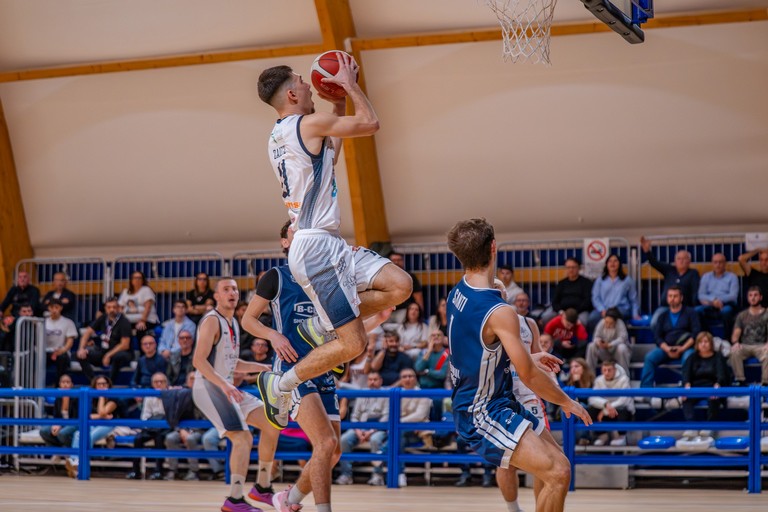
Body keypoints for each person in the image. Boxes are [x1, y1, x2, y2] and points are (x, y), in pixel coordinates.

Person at [257, 60, 412, 431]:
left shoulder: (282, 135)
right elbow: (370, 123)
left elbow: (330, 156)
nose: (309, 85)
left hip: (327, 243)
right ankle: (281, 384)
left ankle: (320, 326)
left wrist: (338, 103)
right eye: (302, 82)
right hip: (316, 249)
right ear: (291, 94)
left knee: (400, 285)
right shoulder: (306, 124)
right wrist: (349, 85)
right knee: (353, 344)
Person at [241, 221, 391, 512]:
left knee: (333, 451)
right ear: (285, 242)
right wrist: (272, 335)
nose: (301, 233)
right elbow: (248, 320)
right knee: (324, 443)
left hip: (322, 368)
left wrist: (379, 318)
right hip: (290, 368)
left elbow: (345, 332)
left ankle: (289, 499)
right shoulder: (276, 276)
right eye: (294, 230)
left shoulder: (325, 281)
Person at [446, 218, 591, 512]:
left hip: (491, 398)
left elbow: (476, 352)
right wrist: (566, 401)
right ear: (494, 248)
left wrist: (527, 357)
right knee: (558, 472)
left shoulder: (457, 293)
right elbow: (529, 375)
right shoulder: (499, 310)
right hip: (482, 410)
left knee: (558, 466)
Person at [192, 277, 282, 512]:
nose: (231, 292)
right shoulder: (212, 321)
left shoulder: (233, 322)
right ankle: (234, 499)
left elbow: (232, 363)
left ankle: (262, 486)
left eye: (234, 289)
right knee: (243, 439)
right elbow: (198, 361)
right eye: (225, 289)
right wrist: (225, 385)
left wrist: (262, 367)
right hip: (209, 388)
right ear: (216, 296)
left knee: (272, 423)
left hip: (226, 387)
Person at [640, 286, 701, 389]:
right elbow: (657, 337)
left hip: (686, 348)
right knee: (649, 358)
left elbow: (696, 334)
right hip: (666, 348)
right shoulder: (662, 316)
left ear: (681, 298)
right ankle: (646, 390)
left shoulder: (691, 313)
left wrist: (682, 348)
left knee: (689, 357)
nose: (672, 298)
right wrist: (667, 349)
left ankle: (686, 388)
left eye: (675, 296)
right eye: (670, 296)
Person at [335, 371, 389, 485]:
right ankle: (346, 474)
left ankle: (377, 475)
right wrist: (358, 431)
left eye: (375, 379)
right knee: (343, 440)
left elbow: (385, 417)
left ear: (381, 381)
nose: (372, 382)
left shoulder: (386, 394)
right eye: (370, 379)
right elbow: (355, 416)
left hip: (378, 428)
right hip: (360, 427)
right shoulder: (362, 393)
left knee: (375, 440)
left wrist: (370, 432)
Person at [65, 376, 119, 479]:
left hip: (108, 425)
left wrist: (102, 397)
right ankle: (75, 462)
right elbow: (87, 416)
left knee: (89, 436)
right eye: (99, 384)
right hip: (93, 423)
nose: (102, 386)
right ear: (95, 386)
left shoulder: (113, 398)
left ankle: (80, 464)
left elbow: (102, 412)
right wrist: (101, 416)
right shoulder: (90, 397)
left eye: (104, 384)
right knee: (78, 434)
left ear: (108, 385)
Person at [640, 237, 700, 326]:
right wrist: (647, 251)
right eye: (679, 258)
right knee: (654, 323)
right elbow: (654, 262)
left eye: (684, 258)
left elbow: (695, 292)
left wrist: (692, 308)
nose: (681, 261)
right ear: (675, 261)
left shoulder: (693, 273)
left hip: (684, 308)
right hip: (666, 307)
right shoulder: (669, 270)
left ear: (689, 261)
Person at [76, 297, 133, 383]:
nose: (112, 309)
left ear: (118, 308)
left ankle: (109, 383)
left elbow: (125, 345)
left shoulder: (124, 322)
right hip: (104, 351)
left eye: (114, 307)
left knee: (118, 357)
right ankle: (95, 382)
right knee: (81, 355)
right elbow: (87, 333)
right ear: (105, 308)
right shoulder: (103, 318)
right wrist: (81, 349)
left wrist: (108, 355)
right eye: (109, 307)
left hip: (121, 353)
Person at [126, 372, 171, 480]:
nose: (159, 384)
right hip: (151, 426)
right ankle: (135, 471)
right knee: (138, 439)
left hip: (165, 427)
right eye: (156, 382)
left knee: (159, 438)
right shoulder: (149, 395)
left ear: (166, 383)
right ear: (152, 384)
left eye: (161, 382)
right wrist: (150, 427)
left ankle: (159, 471)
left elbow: (171, 415)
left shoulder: (171, 395)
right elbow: (145, 416)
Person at [681, 332, 729, 422]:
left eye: (706, 341)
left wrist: (718, 385)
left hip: (712, 387)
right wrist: (686, 384)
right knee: (686, 399)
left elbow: (721, 374)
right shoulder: (692, 357)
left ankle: (710, 426)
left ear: (711, 343)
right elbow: (686, 373)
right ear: (697, 344)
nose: (703, 344)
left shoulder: (718, 357)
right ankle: (691, 426)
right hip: (695, 387)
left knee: (714, 398)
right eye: (701, 342)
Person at [587, 360, 634, 447]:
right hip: (606, 411)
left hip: (619, 411)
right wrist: (606, 404)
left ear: (615, 370)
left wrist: (605, 410)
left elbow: (624, 400)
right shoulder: (599, 380)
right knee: (591, 409)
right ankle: (602, 436)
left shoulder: (624, 379)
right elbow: (592, 398)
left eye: (609, 370)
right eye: (604, 370)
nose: (606, 373)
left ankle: (621, 436)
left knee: (623, 410)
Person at [589, 254, 640, 332]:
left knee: (612, 316)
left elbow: (633, 299)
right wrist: (602, 309)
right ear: (606, 264)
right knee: (592, 318)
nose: (612, 263)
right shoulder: (600, 280)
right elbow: (595, 297)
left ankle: (616, 338)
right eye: (610, 261)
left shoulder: (627, 280)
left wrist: (635, 314)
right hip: (603, 309)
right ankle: (598, 338)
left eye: (615, 261)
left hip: (621, 309)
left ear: (619, 264)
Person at [729, 286, 768, 386]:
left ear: (761, 297)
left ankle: (765, 383)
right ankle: (740, 381)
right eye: (750, 295)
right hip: (745, 345)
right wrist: (736, 343)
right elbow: (735, 335)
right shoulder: (742, 315)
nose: (753, 298)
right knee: (734, 351)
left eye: (755, 295)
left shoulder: (767, 313)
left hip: (762, 346)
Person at [696, 253, 739, 339]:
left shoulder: (732, 277)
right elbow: (701, 295)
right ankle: (708, 337)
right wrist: (713, 300)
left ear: (725, 264)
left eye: (720, 262)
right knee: (696, 311)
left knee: (726, 311)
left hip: (726, 304)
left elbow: (733, 296)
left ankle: (728, 339)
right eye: (715, 262)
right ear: (712, 263)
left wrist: (718, 300)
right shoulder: (706, 277)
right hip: (710, 304)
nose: (718, 265)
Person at [542, 257, 592, 327]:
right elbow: (555, 301)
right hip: (562, 312)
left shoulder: (586, 283)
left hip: (579, 311)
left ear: (579, 268)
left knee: (583, 322)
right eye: (568, 267)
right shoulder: (561, 283)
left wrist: (572, 313)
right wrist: (561, 312)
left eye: (573, 267)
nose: (571, 270)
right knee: (545, 318)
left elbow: (587, 301)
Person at [585, 307, 631, 373]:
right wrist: (599, 342)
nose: (608, 325)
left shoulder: (620, 323)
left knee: (622, 348)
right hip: (605, 352)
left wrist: (610, 344)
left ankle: (624, 374)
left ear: (615, 321)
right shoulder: (601, 322)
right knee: (591, 346)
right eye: (606, 322)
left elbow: (622, 338)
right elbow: (595, 337)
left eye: (611, 323)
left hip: (617, 353)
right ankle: (589, 374)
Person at [39, 373, 78, 449]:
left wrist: (61, 425)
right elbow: (56, 415)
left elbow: (76, 417)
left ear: (71, 384)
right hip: (61, 423)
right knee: (43, 431)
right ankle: (57, 450)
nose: (65, 384)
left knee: (62, 433)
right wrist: (56, 424)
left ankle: (68, 451)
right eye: (63, 382)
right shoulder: (58, 398)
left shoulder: (76, 398)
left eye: (68, 382)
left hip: (74, 423)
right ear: (59, 384)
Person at [118, 270, 159, 340]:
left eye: (139, 278)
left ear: (143, 280)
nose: (137, 280)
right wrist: (122, 319)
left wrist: (143, 321)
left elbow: (148, 307)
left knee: (141, 329)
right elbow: (120, 307)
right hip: (128, 321)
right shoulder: (125, 291)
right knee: (119, 329)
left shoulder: (146, 290)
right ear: (131, 280)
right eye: (135, 278)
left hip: (147, 320)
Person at [44, 299, 78, 381]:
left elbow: (70, 341)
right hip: (46, 352)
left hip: (62, 351)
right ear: (48, 308)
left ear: (61, 308)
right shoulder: (43, 322)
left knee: (62, 358)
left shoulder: (68, 322)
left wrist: (62, 350)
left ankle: (59, 384)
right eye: (52, 307)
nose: (54, 310)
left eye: (56, 307)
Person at [389, 251, 425, 323]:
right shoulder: (384, 277)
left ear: (403, 261)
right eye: (394, 260)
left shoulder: (409, 277)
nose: (396, 262)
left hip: (404, 310)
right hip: (387, 310)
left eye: (399, 260)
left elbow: (418, 297)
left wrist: (421, 315)